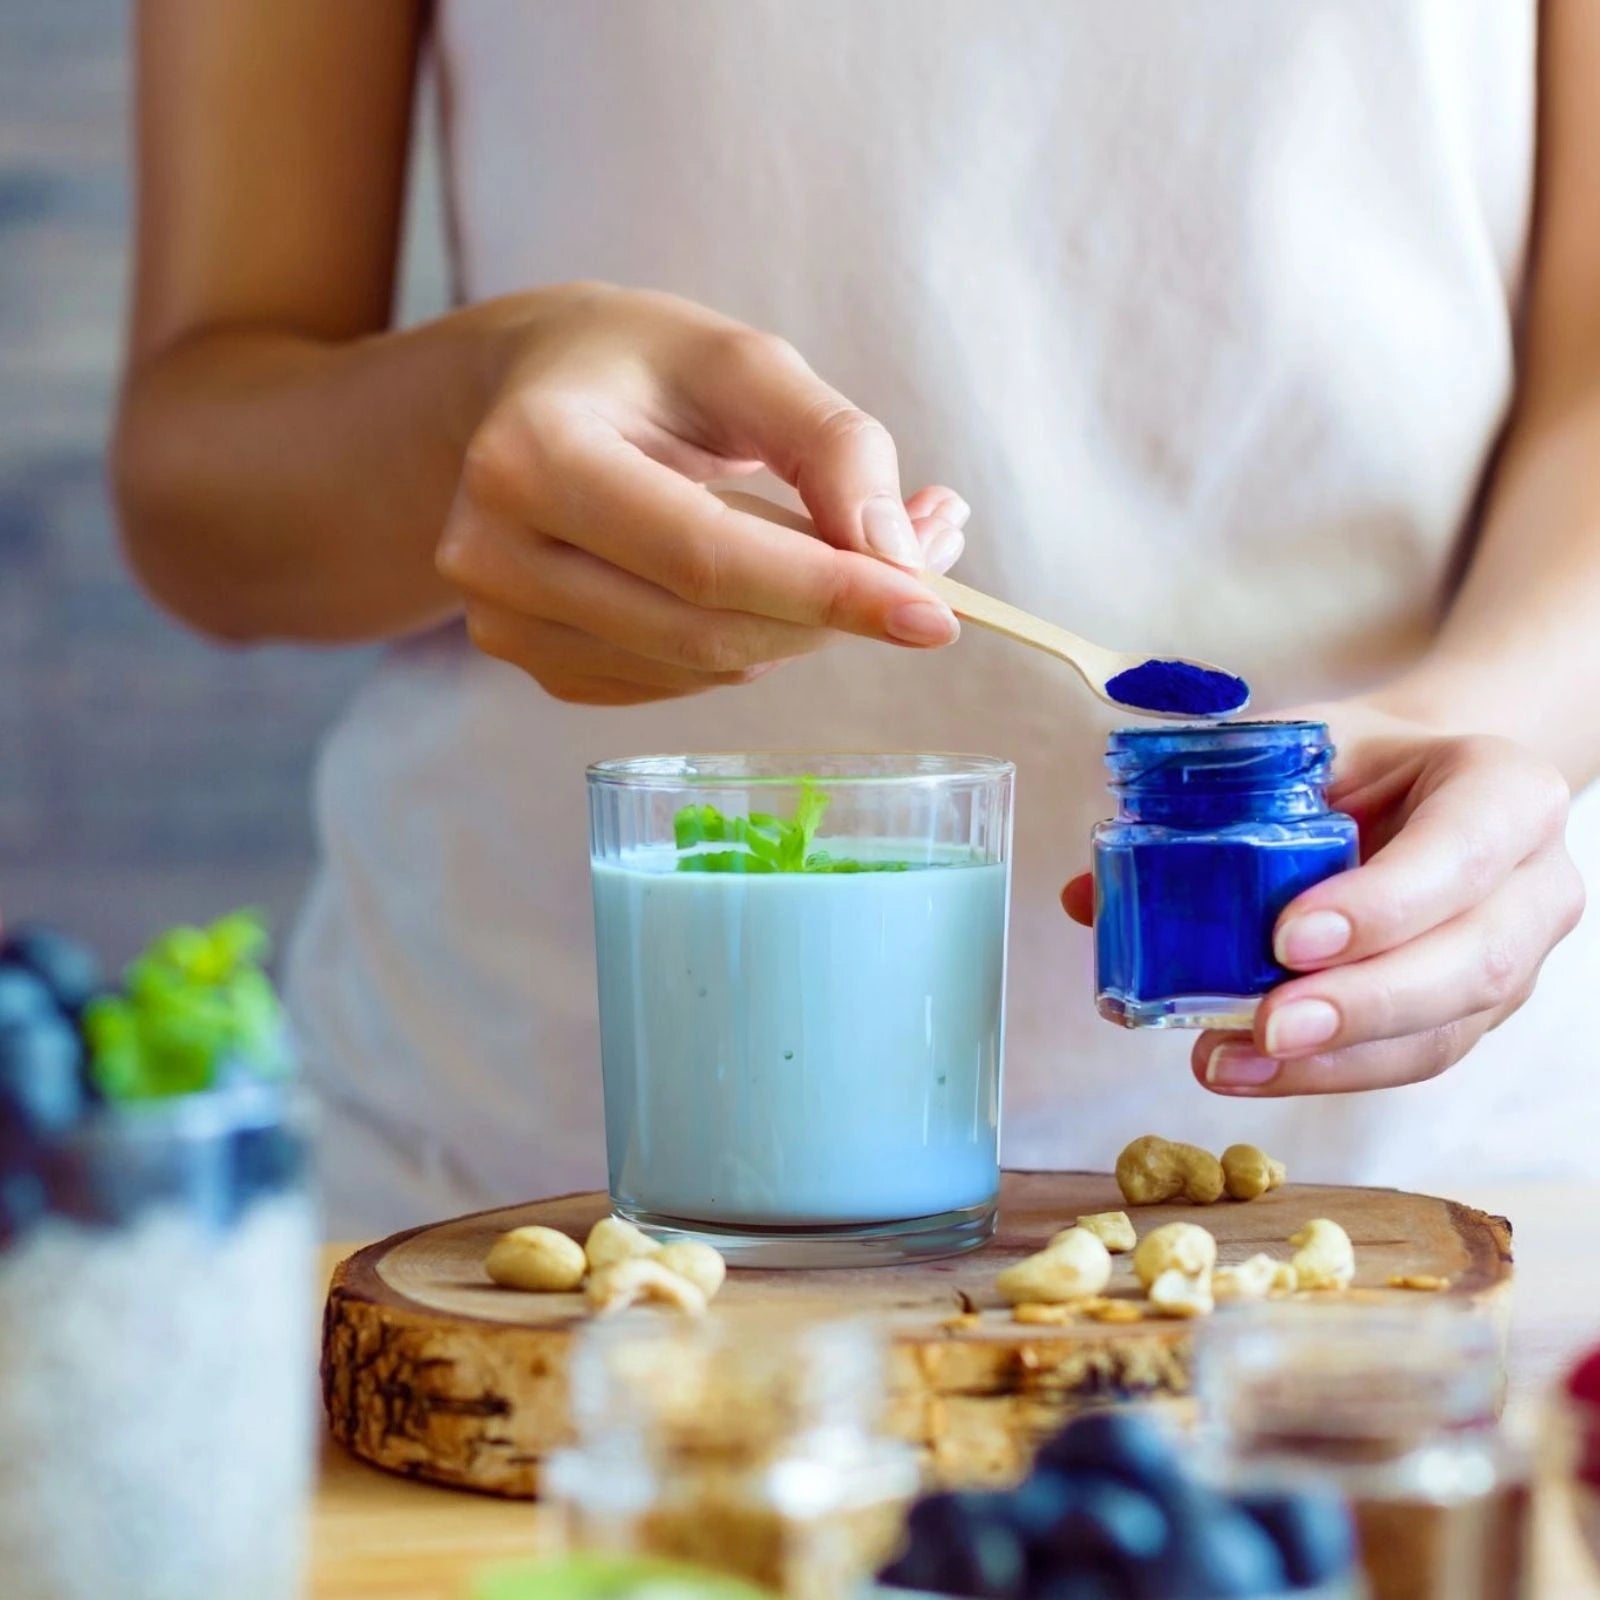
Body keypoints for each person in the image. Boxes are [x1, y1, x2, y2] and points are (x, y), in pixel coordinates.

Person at [114, 1, 1597, 1238]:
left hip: (1418, 1193)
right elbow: (196, 478)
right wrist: (477, 413)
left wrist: (1485, 732)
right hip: (555, 1203)